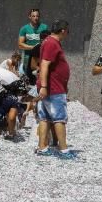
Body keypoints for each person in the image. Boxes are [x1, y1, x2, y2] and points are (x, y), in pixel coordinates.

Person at [36, 19, 75, 159]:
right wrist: (45, 86)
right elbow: (45, 65)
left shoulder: (48, 42)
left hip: (51, 87)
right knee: (59, 118)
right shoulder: (52, 43)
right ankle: (64, 150)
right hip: (53, 88)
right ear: (63, 30)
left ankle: (42, 147)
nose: (68, 33)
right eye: (68, 31)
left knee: (45, 118)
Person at [18, 9, 48, 77]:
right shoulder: (24, 29)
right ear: (29, 17)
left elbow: (48, 42)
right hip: (28, 60)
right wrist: (35, 48)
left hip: (41, 59)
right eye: (33, 16)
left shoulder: (44, 27)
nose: (36, 18)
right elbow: (20, 45)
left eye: (37, 16)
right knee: (29, 80)